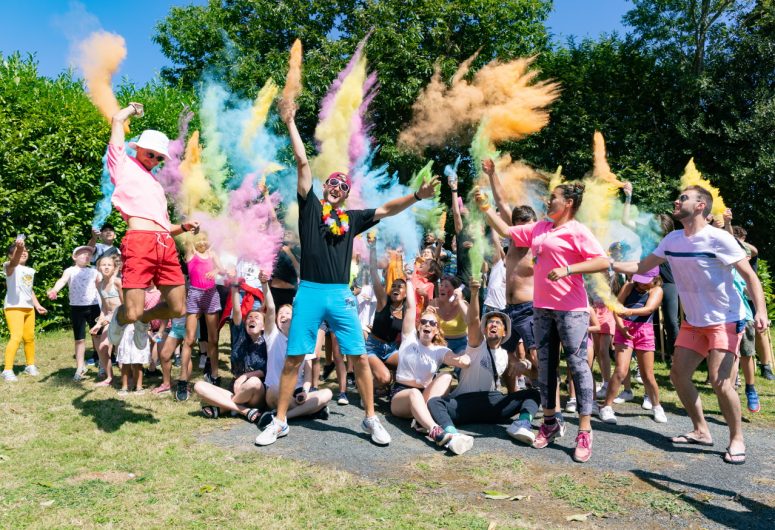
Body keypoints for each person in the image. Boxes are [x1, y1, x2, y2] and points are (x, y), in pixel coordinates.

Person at [255, 98, 438, 447]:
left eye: (343, 187)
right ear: (325, 188)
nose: (336, 189)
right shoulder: (310, 208)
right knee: (294, 358)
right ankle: (279, 422)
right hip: (308, 291)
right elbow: (302, 161)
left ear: (346, 194)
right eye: (333, 184)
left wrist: (416, 195)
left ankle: (370, 418)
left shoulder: (351, 220)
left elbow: (386, 208)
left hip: (340, 294)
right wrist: (291, 122)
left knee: (358, 357)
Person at [613, 185, 767, 465]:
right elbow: (640, 265)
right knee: (678, 376)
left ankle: (736, 438)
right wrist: (609, 263)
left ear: (700, 206)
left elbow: (749, 276)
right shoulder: (672, 239)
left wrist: (761, 311)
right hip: (693, 322)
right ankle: (701, 430)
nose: (677, 199)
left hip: (724, 320)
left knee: (721, 383)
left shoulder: (719, 239)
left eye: (684, 197)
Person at [478, 182, 610, 463]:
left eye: (554, 198)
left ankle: (585, 430)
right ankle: (549, 421)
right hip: (542, 309)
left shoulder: (577, 231)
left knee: (577, 366)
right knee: (547, 367)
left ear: (569, 203)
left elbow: (601, 261)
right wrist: (486, 208)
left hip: (572, 310)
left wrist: (568, 269)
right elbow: (506, 230)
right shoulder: (540, 228)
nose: (549, 202)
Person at [104, 102, 198, 362]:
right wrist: (129, 111)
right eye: (151, 154)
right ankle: (121, 318)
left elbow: (164, 226)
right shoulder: (122, 165)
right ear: (139, 149)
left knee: (178, 307)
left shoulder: (155, 184)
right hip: (140, 242)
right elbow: (115, 122)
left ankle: (145, 320)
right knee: (131, 311)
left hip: (164, 243)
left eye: (159, 157)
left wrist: (184, 227)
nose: (155, 159)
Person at [427, 276, 541, 455]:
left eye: (498, 323)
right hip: (465, 403)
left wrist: (526, 366)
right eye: (490, 323)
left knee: (533, 394)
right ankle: (451, 434)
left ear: (504, 332)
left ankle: (522, 424)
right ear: (485, 329)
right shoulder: (476, 345)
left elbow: (536, 376)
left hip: (493, 404)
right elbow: (472, 321)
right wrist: (474, 293)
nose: (493, 325)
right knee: (434, 402)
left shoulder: (506, 354)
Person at [391, 279, 469, 447]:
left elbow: (454, 359)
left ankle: (422, 421)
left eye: (432, 323)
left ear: (436, 330)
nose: (427, 324)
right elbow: (411, 307)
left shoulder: (439, 350)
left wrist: (464, 360)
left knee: (447, 377)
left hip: (424, 395)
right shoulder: (409, 338)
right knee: (414, 393)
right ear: (419, 326)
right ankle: (434, 430)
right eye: (424, 322)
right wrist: (409, 280)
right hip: (401, 396)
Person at [193, 275, 272, 422]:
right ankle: (243, 410)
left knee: (253, 382)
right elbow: (236, 310)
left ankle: (224, 407)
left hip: (257, 392)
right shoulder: (239, 336)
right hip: (236, 390)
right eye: (249, 317)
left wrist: (244, 376)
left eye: (256, 318)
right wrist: (234, 288)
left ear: (263, 326)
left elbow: (262, 372)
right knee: (199, 386)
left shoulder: (268, 340)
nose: (252, 319)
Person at [599, 268, 667, 424]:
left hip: (644, 332)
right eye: (639, 280)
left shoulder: (657, 291)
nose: (641, 284)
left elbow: (649, 309)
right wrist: (621, 326)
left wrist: (627, 311)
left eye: (645, 281)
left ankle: (657, 406)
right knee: (620, 370)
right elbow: (616, 307)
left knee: (647, 374)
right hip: (624, 329)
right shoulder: (629, 286)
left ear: (654, 278)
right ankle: (606, 407)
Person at [260, 280, 332, 427]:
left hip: (297, 394)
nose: (283, 315)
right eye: (281, 314)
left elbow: (307, 377)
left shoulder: (303, 341)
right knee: (274, 390)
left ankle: (282, 416)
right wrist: (264, 284)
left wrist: (305, 391)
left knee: (327, 394)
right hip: (276, 392)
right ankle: (312, 411)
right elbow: (271, 307)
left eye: (288, 312)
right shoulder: (272, 335)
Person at [178, 233, 224, 399]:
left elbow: (223, 270)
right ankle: (183, 380)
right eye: (199, 240)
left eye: (205, 239)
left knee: (213, 339)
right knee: (189, 340)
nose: (202, 242)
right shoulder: (191, 253)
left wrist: (216, 269)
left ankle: (215, 375)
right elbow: (188, 239)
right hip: (195, 295)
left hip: (211, 295)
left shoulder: (212, 254)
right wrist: (191, 226)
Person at [47, 245, 101, 381]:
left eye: (88, 254)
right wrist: (54, 290)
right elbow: (62, 281)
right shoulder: (70, 271)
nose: (86, 256)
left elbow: (104, 286)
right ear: (74, 257)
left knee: (97, 338)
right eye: (82, 254)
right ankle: (80, 367)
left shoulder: (94, 271)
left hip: (94, 307)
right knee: (79, 339)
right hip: (77, 308)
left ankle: (103, 365)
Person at [3, 238, 47, 381]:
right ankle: (7, 370)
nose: (23, 252)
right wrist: (19, 248)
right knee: (16, 337)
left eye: (26, 250)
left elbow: (29, 290)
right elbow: (15, 261)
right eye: (20, 251)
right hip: (13, 307)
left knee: (29, 338)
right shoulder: (9, 266)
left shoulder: (29, 270)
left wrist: (37, 305)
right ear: (11, 255)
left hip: (28, 308)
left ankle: (30, 365)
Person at [365, 239, 407, 388]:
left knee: (409, 366)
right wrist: (373, 247)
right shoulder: (383, 300)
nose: (396, 288)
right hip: (373, 347)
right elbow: (372, 271)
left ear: (406, 292)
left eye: (400, 287)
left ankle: (386, 387)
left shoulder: (407, 311)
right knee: (384, 379)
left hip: (391, 349)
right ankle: (367, 385)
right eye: (393, 286)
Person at [90, 253, 123, 386]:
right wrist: (98, 324)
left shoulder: (117, 282)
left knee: (121, 352)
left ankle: (128, 378)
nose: (106, 267)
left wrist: (108, 319)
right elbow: (104, 307)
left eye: (109, 265)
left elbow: (124, 305)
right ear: (98, 268)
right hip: (109, 319)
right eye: (103, 265)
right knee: (103, 347)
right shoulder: (99, 284)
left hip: (121, 319)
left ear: (115, 268)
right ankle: (109, 377)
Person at [432, 275, 469, 355]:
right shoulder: (434, 302)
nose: (441, 288)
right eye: (441, 285)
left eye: (446, 286)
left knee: (462, 361)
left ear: (455, 290)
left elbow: (469, 320)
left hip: (460, 344)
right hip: (439, 342)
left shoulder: (463, 304)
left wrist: (459, 300)